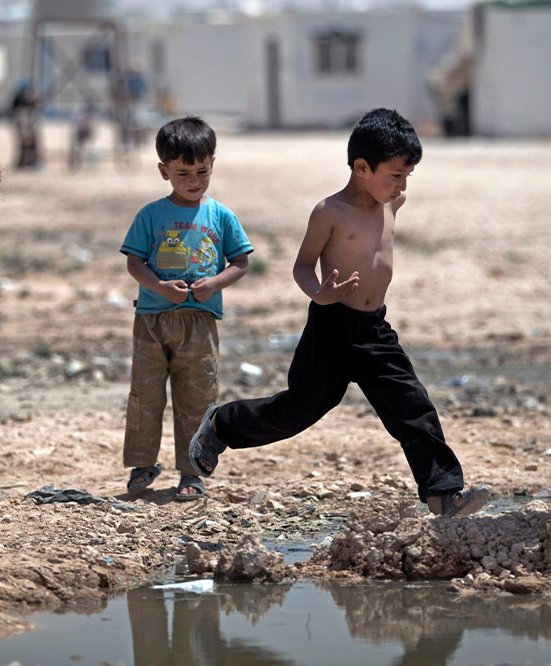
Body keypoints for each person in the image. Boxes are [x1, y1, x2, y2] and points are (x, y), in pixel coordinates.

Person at [189, 108, 489, 518]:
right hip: (331, 327)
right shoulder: (329, 211)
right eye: (395, 174)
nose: (402, 185)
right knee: (297, 411)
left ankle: (444, 495)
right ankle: (221, 424)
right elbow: (301, 265)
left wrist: (394, 188)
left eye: (408, 175)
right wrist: (320, 293)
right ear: (361, 167)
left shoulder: (392, 203)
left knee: (412, 406)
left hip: (374, 329)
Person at [121, 116, 252, 501]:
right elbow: (134, 262)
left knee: (197, 398)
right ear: (164, 171)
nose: (193, 180)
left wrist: (214, 284)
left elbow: (240, 263)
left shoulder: (222, 216)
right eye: (182, 173)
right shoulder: (150, 215)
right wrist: (160, 286)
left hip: (199, 323)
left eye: (202, 171)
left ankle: (192, 472)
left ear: (213, 164)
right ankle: (142, 464)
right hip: (151, 320)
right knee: (145, 395)